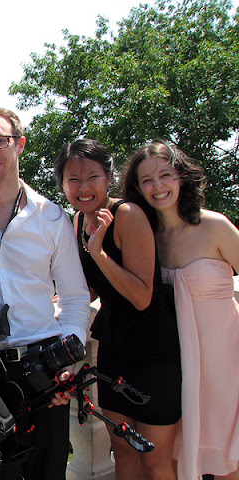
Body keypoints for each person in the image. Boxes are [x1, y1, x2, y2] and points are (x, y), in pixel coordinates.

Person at [0, 106, 91, 480]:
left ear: (20, 144)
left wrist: (67, 362)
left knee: (48, 472)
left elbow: (75, 299)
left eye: (0, 141)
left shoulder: (52, 217)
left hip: (43, 368)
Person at [54, 139, 182, 480]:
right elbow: (97, 284)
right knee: (123, 451)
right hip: (114, 347)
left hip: (154, 350)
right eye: (73, 179)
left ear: (109, 177)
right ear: (63, 184)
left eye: (92, 177)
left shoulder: (127, 215)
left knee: (155, 460)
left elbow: (141, 296)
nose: (83, 188)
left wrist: (98, 252)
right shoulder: (78, 221)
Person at [123, 140, 239, 480]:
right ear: (138, 188)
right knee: (181, 456)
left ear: (181, 176)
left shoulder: (214, 226)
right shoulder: (148, 239)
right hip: (179, 371)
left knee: (230, 460)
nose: (157, 186)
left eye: (165, 175)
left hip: (227, 365)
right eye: (147, 180)